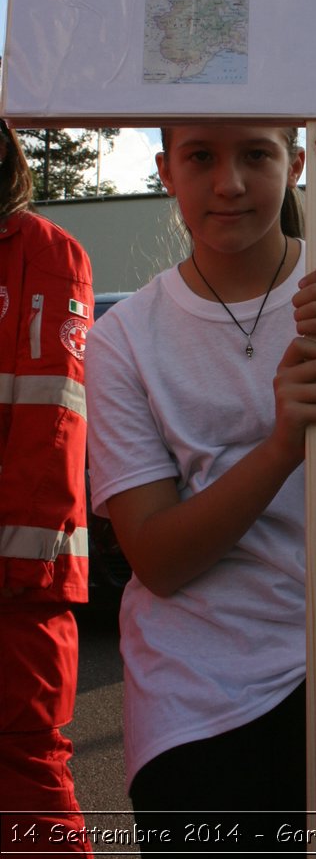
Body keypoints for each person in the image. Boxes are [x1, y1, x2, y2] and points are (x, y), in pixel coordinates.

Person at [84, 122, 316, 854]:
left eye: (256, 153)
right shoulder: (124, 338)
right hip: (190, 693)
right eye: (201, 157)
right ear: (165, 169)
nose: (230, 183)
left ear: (299, 159)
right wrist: (283, 446)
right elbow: (156, 557)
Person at [0, 118, 94, 855]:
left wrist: (19, 563)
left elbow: (52, 421)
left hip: (16, 584)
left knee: (26, 781)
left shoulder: (44, 255)